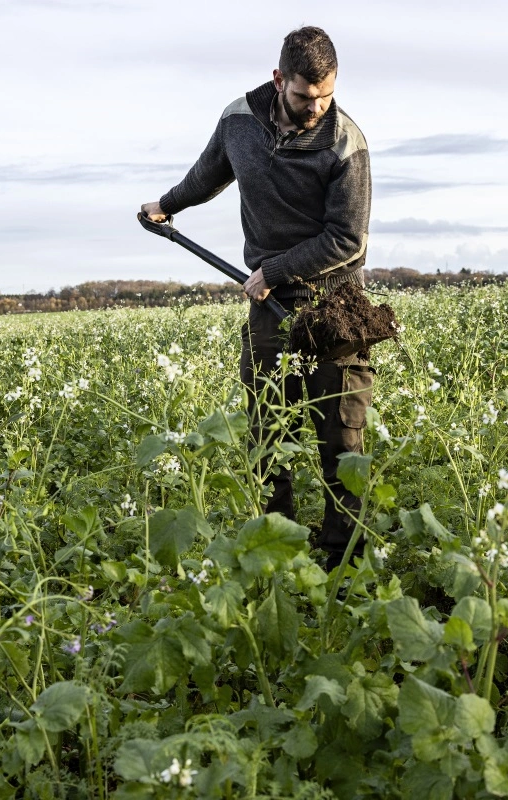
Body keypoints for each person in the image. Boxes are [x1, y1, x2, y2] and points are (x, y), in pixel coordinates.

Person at [140, 26, 374, 571]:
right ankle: (279, 547)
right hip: (268, 303)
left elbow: (348, 238)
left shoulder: (346, 141)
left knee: (341, 435)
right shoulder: (238, 121)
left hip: (335, 302)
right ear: (279, 80)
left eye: (327, 95)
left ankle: (344, 559)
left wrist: (275, 269)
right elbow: (209, 174)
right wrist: (167, 205)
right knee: (269, 430)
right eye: (303, 95)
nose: (316, 106)